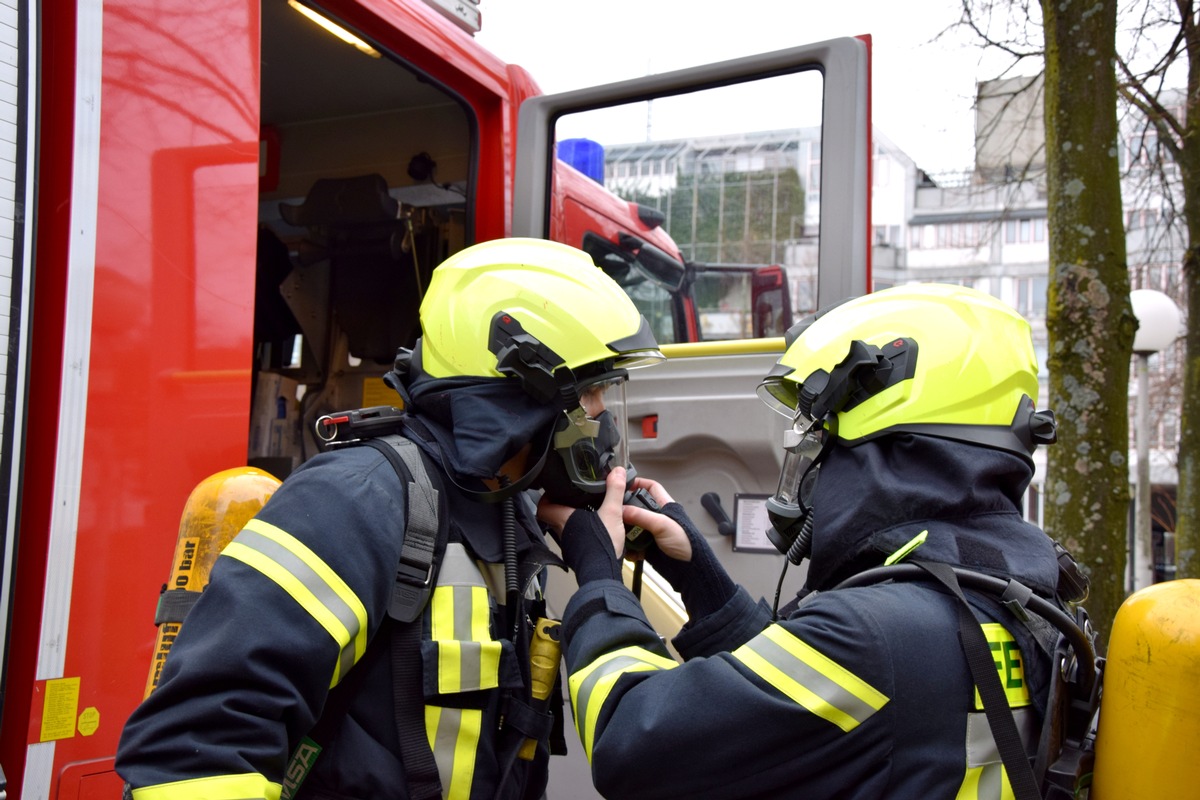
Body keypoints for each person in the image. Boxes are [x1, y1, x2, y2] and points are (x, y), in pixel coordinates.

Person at [115, 237, 666, 800]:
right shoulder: (353, 501)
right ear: (525, 391)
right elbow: (192, 756)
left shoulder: (506, 509)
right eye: (593, 391)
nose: (603, 418)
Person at [539, 283, 1087, 799]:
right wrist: (699, 575)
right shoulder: (1017, 598)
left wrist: (599, 577)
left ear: (876, 455)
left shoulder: (873, 633)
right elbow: (796, 697)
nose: (811, 471)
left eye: (824, 445)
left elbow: (633, 741)